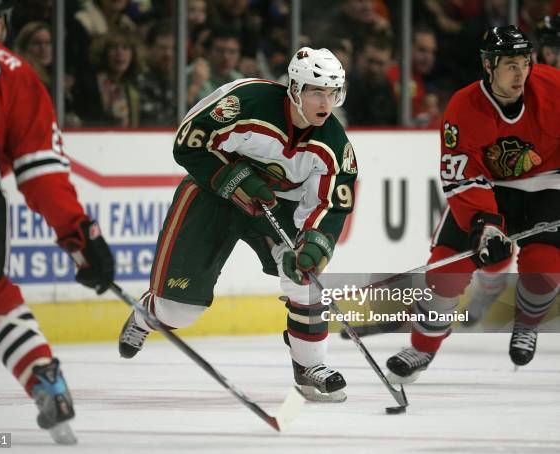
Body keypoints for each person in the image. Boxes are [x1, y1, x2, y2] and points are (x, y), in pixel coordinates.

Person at [118, 47, 358, 402]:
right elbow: (189, 142)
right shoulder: (246, 101)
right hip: (211, 197)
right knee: (178, 312)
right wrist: (235, 177)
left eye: (332, 92)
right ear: (294, 88)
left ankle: (310, 369)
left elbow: (329, 207)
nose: (326, 102)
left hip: (274, 208)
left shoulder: (335, 146)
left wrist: (313, 246)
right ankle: (146, 316)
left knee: (304, 276)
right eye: (316, 91)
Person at [0, 0, 115, 444]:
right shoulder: (15, 71)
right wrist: (80, 237)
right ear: (0, 24)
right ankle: (44, 378)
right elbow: (42, 178)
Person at [385, 25, 559, 384]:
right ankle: (422, 348)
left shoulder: (554, 88)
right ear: (488, 65)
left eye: (524, 62)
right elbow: (462, 174)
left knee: (545, 266)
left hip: (550, 184)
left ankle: (526, 324)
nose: (519, 73)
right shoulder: (464, 106)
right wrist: (486, 223)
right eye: (510, 64)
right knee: (444, 272)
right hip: (491, 188)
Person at [460, 14, 560, 328]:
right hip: (503, 180)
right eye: (550, 47)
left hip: (548, 180)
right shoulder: (515, 84)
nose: (552, 55)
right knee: (490, 247)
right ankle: (491, 287)